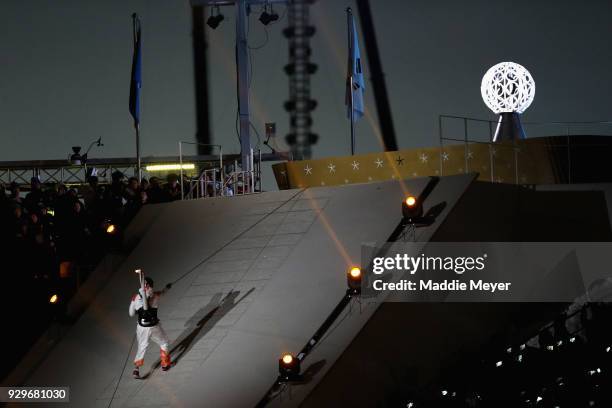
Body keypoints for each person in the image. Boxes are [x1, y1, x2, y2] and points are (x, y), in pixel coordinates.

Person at [129, 277, 172, 377]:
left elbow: (131, 313)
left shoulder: (135, 297)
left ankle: (136, 368)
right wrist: (167, 288)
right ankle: (165, 365)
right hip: (154, 326)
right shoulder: (155, 295)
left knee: (142, 346)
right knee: (164, 342)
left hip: (142, 327)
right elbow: (162, 293)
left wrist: (136, 310)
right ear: (150, 286)